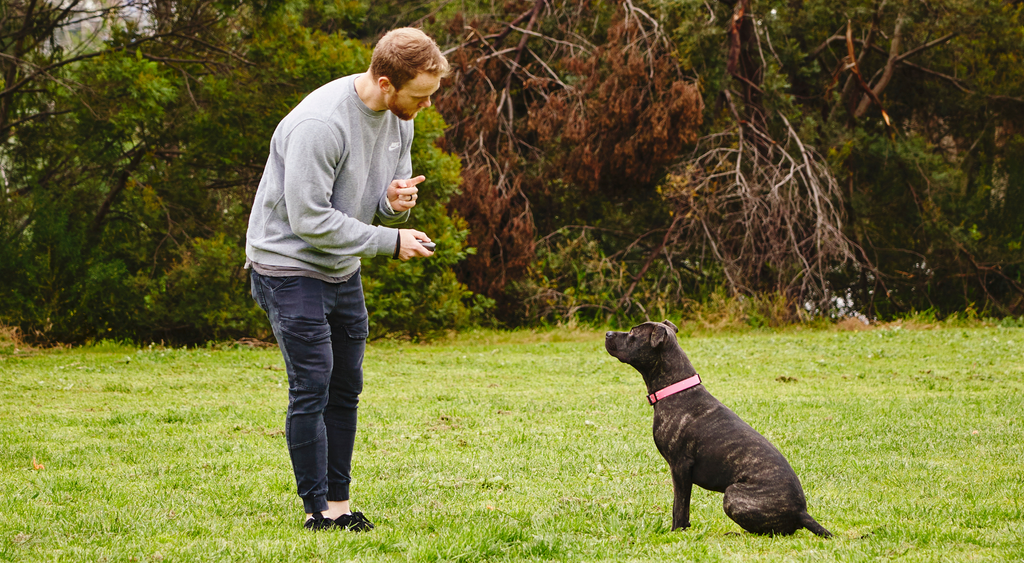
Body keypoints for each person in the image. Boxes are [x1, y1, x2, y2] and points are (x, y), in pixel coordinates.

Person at [245, 27, 450, 531]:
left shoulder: (401, 119)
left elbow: (375, 201)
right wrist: (390, 241)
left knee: (346, 387)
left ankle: (340, 506)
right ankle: (315, 510)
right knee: (312, 385)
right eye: (419, 97)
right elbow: (310, 220)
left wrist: (392, 204)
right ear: (385, 82)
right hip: (287, 264)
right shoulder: (319, 124)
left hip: (340, 267)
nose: (425, 108)